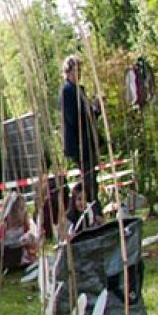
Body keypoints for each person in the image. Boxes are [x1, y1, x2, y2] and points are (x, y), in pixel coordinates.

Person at [60, 55, 101, 207]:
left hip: (86, 140)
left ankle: (93, 208)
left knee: (91, 178)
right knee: (89, 179)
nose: (79, 73)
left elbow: (87, 116)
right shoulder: (67, 91)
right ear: (68, 72)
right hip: (79, 143)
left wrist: (95, 109)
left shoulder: (79, 90)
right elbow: (74, 118)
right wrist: (91, 111)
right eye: (76, 70)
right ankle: (92, 209)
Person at [0, 192, 39, 277]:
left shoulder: (24, 225)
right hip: (7, 252)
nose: (24, 211)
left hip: (20, 251)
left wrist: (29, 240)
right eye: (21, 209)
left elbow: (29, 237)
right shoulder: (4, 227)